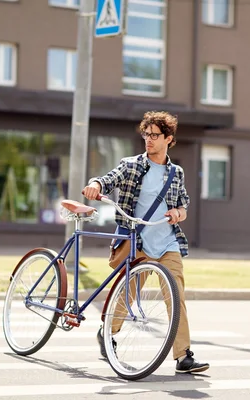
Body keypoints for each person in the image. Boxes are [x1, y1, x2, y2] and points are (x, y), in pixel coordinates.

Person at [82, 110, 210, 374]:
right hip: (138, 242)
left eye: (154, 135)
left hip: (167, 243)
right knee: (128, 295)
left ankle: (183, 356)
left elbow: (183, 206)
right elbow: (108, 179)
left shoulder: (176, 172)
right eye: (146, 134)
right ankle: (107, 333)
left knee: (176, 296)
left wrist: (177, 213)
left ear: (169, 139)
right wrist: (95, 184)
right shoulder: (131, 165)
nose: (148, 140)